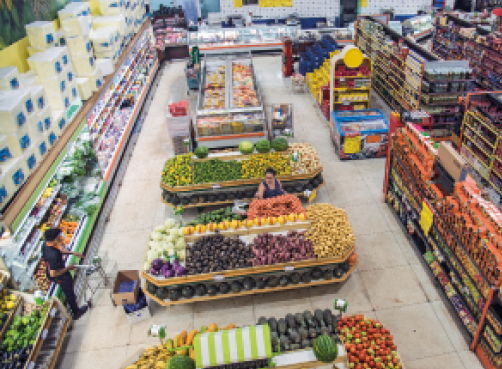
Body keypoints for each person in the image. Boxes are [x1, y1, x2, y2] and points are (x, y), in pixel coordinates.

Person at [42, 228, 88, 320]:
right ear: (54, 239)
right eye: (59, 237)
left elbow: (59, 251)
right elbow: (53, 273)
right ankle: (76, 312)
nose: (61, 238)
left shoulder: (46, 244)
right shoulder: (53, 256)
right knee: (69, 292)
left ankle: (71, 298)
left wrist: (73, 253)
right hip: (60, 276)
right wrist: (68, 268)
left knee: (69, 290)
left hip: (57, 271)